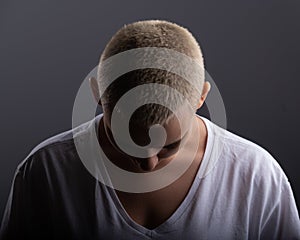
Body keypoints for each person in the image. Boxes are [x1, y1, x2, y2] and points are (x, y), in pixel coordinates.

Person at [1, 20, 300, 240]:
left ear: (201, 97)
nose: (148, 163)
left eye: (170, 145)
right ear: (98, 94)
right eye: (126, 141)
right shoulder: (45, 171)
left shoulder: (257, 175)